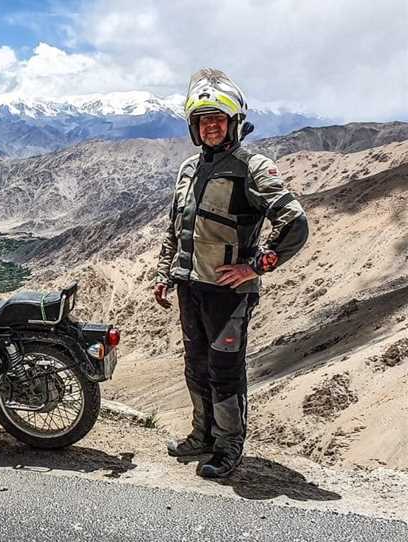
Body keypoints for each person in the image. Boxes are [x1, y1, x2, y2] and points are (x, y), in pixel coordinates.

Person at [153, 68, 309, 478]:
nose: (211, 127)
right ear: (194, 126)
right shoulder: (188, 169)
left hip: (227, 294)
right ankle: (201, 435)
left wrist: (255, 266)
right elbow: (176, 227)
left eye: (219, 120)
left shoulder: (252, 167)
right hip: (190, 286)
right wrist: (164, 272)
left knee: (225, 371)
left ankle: (228, 447)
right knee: (196, 364)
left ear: (235, 122)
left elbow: (295, 223)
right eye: (204, 121)